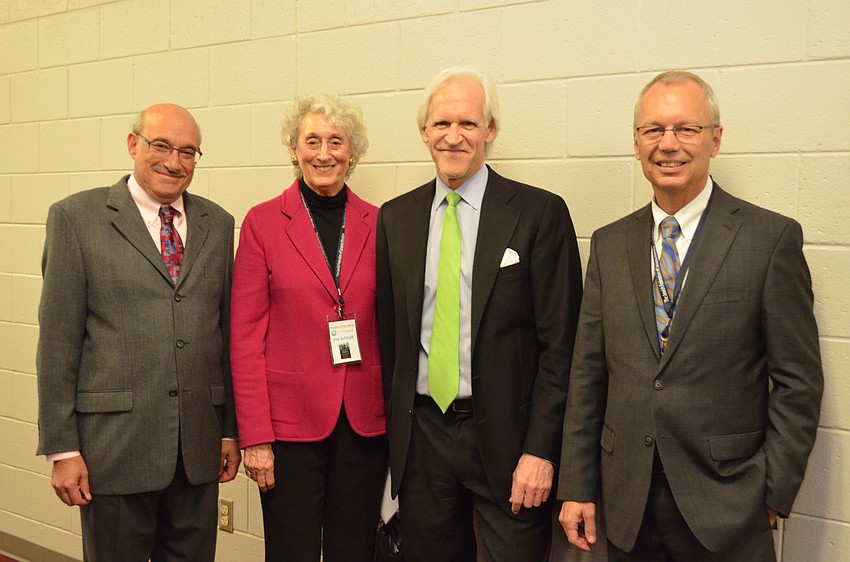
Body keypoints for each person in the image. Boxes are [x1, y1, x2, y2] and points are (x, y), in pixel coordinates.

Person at [558, 70, 824, 562]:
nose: (669, 144)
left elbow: (798, 381)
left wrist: (772, 493)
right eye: (653, 130)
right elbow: (587, 375)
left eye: (686, 129)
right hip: (627, 503)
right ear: (636, 144)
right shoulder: (609, 243)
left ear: (715, 140)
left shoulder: (768, 240)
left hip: (728, 504)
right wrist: (577, 485)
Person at [376, 66, 583, 561]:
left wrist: (541, 450)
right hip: (423, 437)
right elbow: (392, 339)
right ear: (424, 132)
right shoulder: (396, 218)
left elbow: (563, 346)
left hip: (510, 444)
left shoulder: (538, 214)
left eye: (468, 124)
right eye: (441, 124)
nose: (453, 137)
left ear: (490, 131)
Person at [36, 103, 241, 561]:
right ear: (133, 145)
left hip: (197, 451)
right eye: (161, 146)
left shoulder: (218, 223)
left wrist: (229, 430)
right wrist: (61, 448)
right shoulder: (76, 218)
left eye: (188, 152)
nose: (174, 161)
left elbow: (224, 333)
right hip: (114, 450)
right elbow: (57, 343)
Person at [230, 94, 387, 562]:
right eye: (312, 141)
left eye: (335, 141)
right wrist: (254, 435)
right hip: (288, 428)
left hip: (363, 423)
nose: (324, 153)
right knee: (291, 551)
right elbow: (244, 338)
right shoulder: (262, 223)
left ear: (351, 152)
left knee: (355, 549)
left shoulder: (381, 222)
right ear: (294, 150)